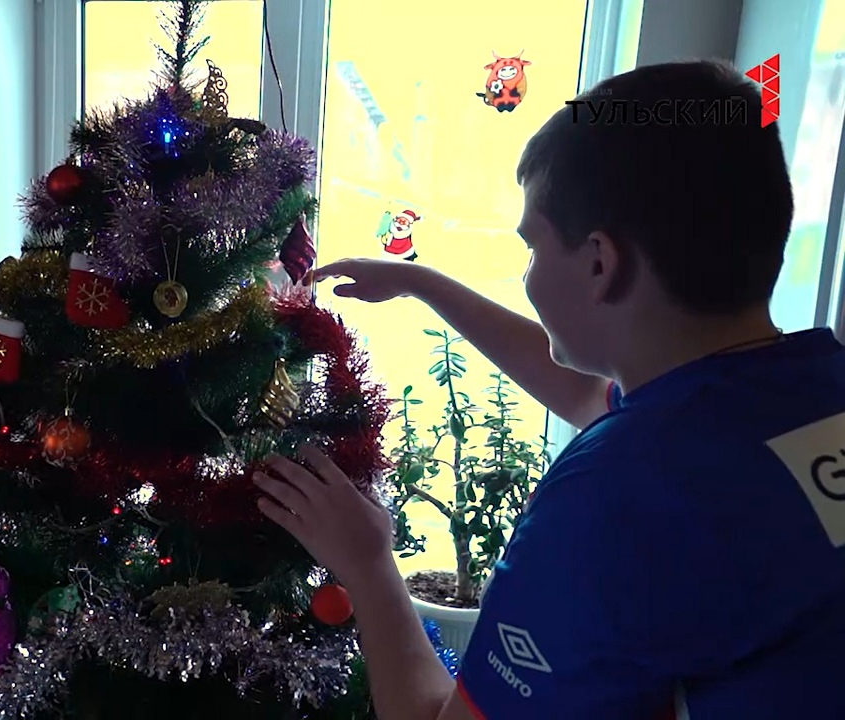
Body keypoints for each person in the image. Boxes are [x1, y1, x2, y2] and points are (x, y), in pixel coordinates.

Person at [256, 60, 845, 719]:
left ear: (600, 263)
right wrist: (420, 282)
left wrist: (367, 566)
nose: (529, 274)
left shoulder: (614, 499)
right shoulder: (802, 393)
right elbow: (592, 397)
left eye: (533, 248)